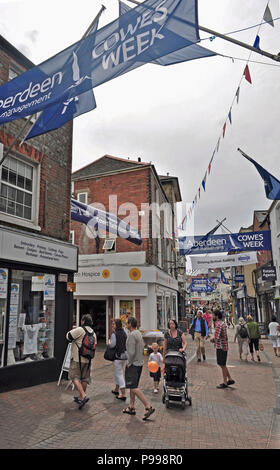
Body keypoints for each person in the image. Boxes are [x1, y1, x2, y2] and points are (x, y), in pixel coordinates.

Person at [123, 317, 155, 420]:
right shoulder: (138, 333)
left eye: (127, 323)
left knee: (133, 387)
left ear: (130, 324)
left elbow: (131, 353)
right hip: (139, 363)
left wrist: (128, 362)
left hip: (133, 364)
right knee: (134, 385)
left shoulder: (132, 335)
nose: (126, 325)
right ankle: (131, 406)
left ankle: (147, 406)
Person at [66, 314, 97, 409]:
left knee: (74, 377)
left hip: (77, 358)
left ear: (83, 321)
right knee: (84, 379)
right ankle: (80, 397)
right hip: (88, 360)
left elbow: (68, 336)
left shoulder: (80, 329)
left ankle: (83, 396)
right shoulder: (93, 333)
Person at [210, 310, 235, 389]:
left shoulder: (219, 325)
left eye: (213, 315)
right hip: (224, 346)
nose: (212, 317)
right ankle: (230, 379)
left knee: (222, 365)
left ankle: (225, 382)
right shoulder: (222, 323)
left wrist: (212, 339)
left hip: (221, 347)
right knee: (222, 364)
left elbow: (216, 338)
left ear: (217, 316)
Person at [110, 319, 127, 401]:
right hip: (124, 356)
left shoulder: (114, 333)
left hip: (117, 356)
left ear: (117, 325)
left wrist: (110, 342)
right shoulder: (124, 333)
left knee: (119, 374)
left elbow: (112, 345)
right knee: (118, 373)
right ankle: (116, 389)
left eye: (113, 324)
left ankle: (123, 393)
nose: (112, 325)